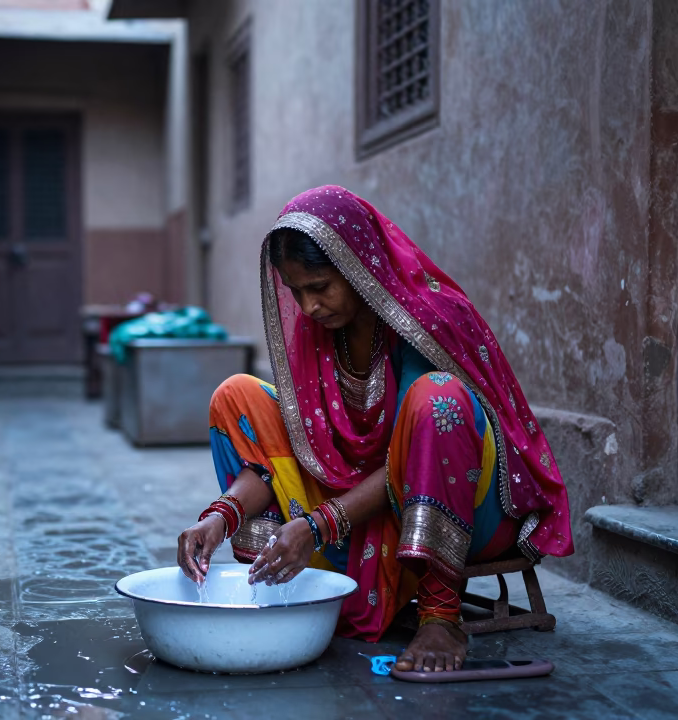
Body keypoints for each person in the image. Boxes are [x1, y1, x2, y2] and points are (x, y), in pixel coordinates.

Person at [177, 186, 573, 674]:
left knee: (438, 400)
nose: (309, 307)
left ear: (357, 264)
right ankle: (292, 576)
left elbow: (412, 457)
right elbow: (286, 459)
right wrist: (219, 518)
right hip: (351, 512)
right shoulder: (318, 333)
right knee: (236, 395)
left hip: (464, 500)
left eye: (320, 286)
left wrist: (317, 525)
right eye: (296, 291)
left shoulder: (424, 320)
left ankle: (440, 615)